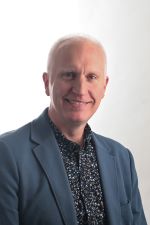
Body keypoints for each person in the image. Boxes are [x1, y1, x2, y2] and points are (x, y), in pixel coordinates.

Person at [0, 35, 147, 225]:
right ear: (47, 83)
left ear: (104, 86)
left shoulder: (122, 158)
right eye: (69, 74)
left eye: (91, 77)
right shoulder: (7, 154)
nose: (80, 88)